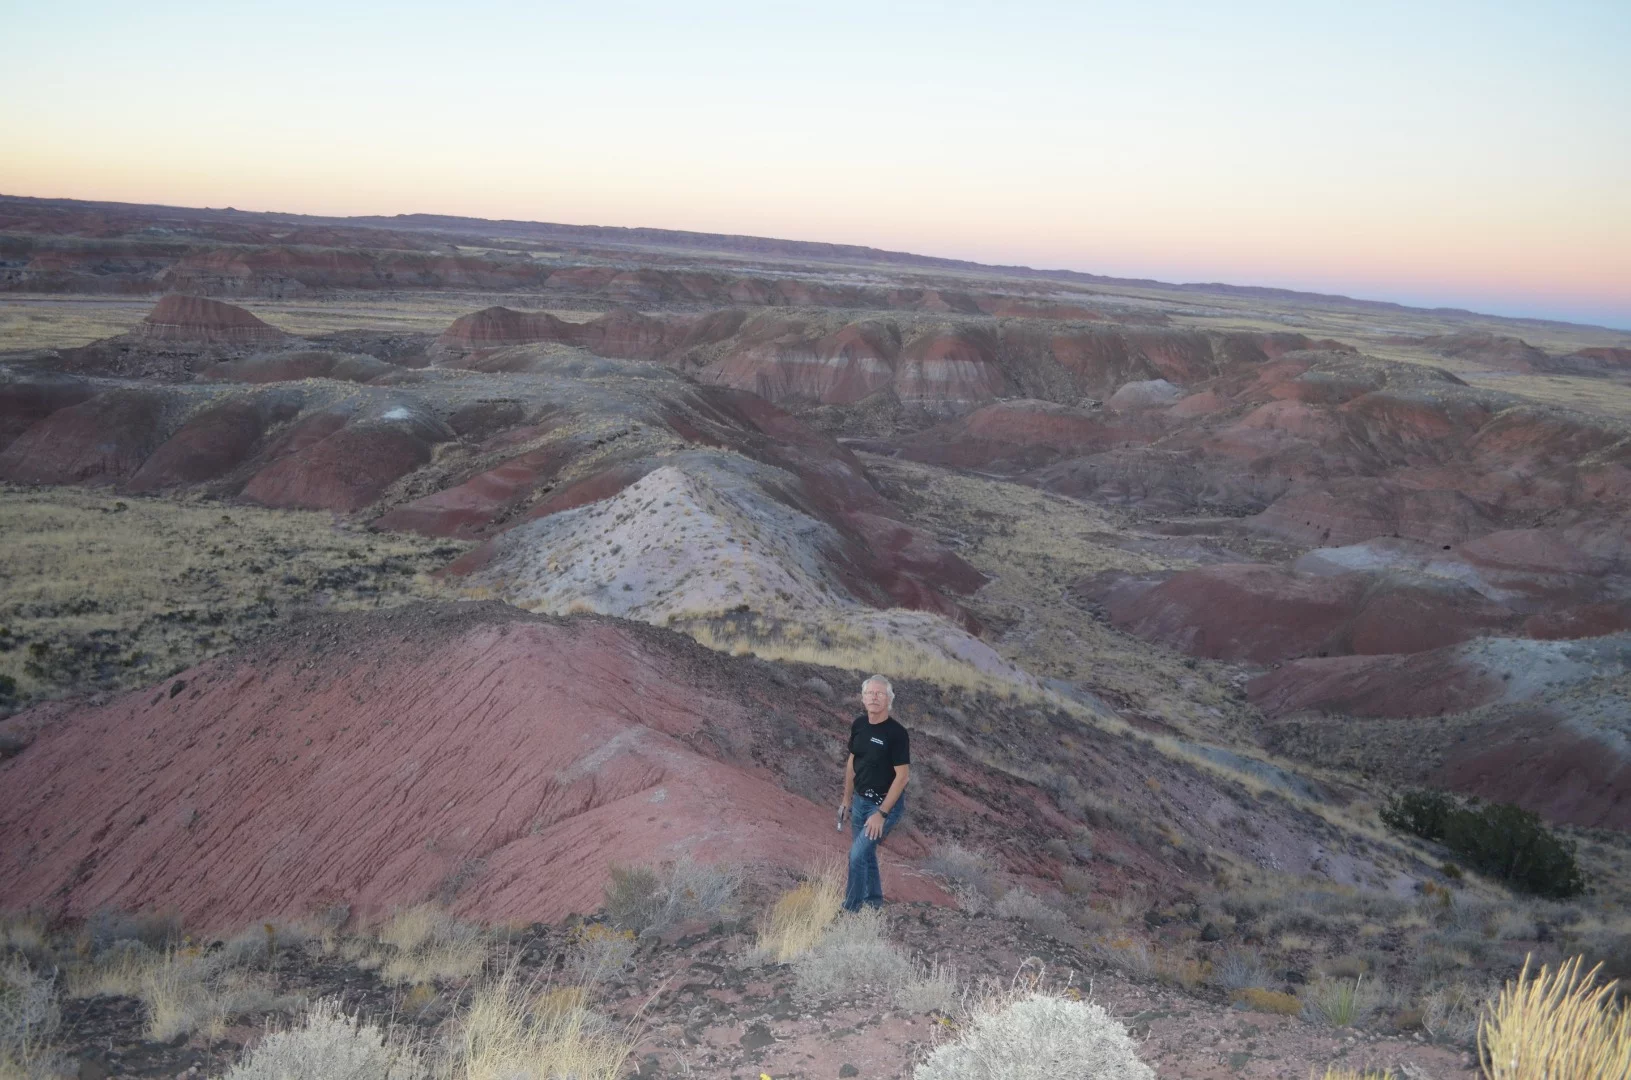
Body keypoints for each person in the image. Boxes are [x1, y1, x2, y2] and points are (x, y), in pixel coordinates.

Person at [839, 674, 910, 912]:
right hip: (859, 802)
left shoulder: (897, 733)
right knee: (866, 854)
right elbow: (852, 763)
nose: (874, 697)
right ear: (863, 698)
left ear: (889, 699)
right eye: (870, 693)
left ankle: (851, 910)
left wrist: (881, 813)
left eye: (880, 694)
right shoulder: (859, 725)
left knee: (857, 855)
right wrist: (846, 800)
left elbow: (903, 777)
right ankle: (874, 902)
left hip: (883, 806)